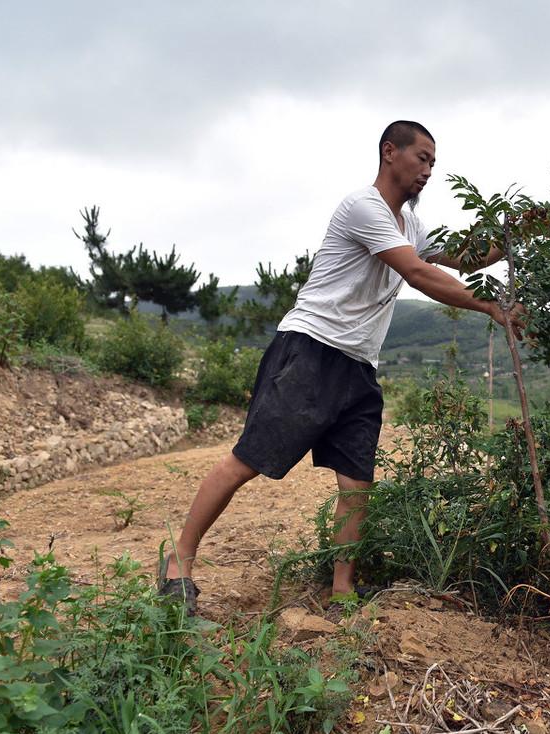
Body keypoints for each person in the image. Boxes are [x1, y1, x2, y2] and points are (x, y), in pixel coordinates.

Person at [158, 120, 520, 615]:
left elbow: (464, 257)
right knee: (248, 461)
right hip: (311, 349)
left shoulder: (411, 224)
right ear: (390, 152)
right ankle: (179, 560)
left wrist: (518, 230)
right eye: (423, 158)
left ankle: (342, 590)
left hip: (357, 366)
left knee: (356, 483)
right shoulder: (363, 207)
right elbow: (416, 272)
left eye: (435, 163)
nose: (429, 171)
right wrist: (492, 305)